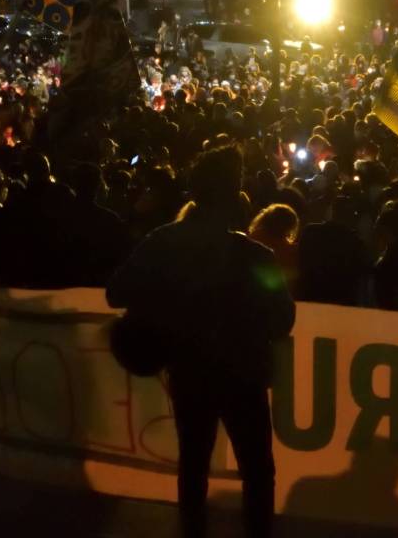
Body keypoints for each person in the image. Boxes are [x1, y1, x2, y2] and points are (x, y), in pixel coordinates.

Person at [107, 146, 295, 538]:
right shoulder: (255, 256)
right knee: (257, 471)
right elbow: (283, 320)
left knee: (193, 465)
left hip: (189, 371)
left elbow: (117, 291)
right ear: (232, 198)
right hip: (243, 375)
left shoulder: (164, 242)